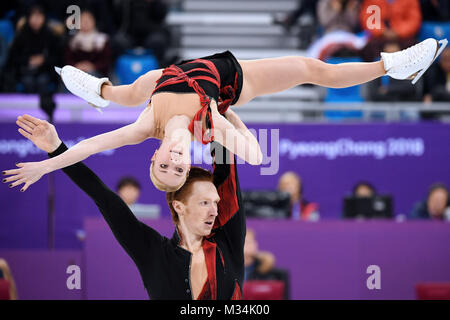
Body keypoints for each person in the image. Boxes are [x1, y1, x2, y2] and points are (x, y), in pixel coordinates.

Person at [3, 38, 445, 193]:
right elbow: (254, 157)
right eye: (182, 167)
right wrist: (226, 118)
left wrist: (46, 164)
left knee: (126, 93)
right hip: (227, 79)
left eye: (165, 165)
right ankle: (394, 65)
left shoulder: (145, 128)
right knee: (312, 70)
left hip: (166, 78)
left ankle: (98, 91)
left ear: (153, 157)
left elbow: (89, 146)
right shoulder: (206, 128)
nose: (175, 159)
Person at [7, 114, 246, 300]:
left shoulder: (229, 242)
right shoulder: (152, 251)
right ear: (179, 207)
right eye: (204, 203)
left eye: (215, 203)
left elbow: (226, 170)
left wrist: (213, 114)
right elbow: (103, 197)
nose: (215, 210)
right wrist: (56, 148)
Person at [4, 4, 61, 120]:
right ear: (28, 18)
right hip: (25, 72)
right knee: (27, 81)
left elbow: (57, 58)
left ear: (44, 18)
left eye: (39, 16)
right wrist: (28, 60)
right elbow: (13, 59)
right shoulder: (21, 36)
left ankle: (47, 115)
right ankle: (26, 116)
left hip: (45, 72)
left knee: (43, 81)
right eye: (33, 16)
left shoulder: (50, 36)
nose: (36, 20)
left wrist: (43, 60)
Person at [64, 9, 112, 78]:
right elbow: (67, 59)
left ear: (94, 21)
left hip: (96, 73)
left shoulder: (102, 39)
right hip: (76, 72)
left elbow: (106, 61)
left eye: (88, 20)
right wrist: (77, 66)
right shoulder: (73, 40)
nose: (85, 23)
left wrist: (92, 66)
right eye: (82, 20)